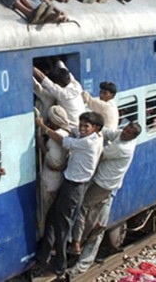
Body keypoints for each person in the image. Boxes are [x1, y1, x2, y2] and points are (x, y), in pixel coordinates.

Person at [35, 112, 104, 279]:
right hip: (71, 184)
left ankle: (59, 266)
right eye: (81, 125)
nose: (82, 129)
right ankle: (43, 257)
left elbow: (63, 141)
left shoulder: (88, 142)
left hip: (74, 188)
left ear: (95, 128)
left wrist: (43, 126)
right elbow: (72, 131)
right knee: (52, 219)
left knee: (61, 226)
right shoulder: (92, 137)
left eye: (86, 126)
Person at [70, 121, 141, 256]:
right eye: (126, 129)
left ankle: (77, 241)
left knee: (83, 207)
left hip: (104, 184)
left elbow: (99, 154)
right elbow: (108, 132)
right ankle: (94, 227)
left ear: (133, 137)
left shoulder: (123, 148)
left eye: (128, 133)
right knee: (92, 210)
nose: (124, 132)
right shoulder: (121, 135)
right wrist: (95, 127)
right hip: (105, 181)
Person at [33, 61, 84, 127]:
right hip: (79, 122)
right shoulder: (76, 85)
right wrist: (57, 60)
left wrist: (29, 65)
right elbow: (63, 67)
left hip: (71, 127)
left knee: (49, 102)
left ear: (58, 83)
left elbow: (43, 79)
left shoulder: (63, 94)